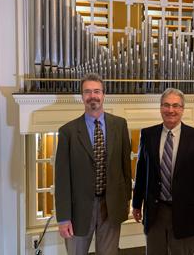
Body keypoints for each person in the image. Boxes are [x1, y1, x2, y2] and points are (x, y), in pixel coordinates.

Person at [132, 88, 194, 255]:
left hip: (187, 214)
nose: (171, 110)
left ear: (183, 109)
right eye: (166, 105)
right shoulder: (147, 135)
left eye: (176, 106)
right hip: (155, 212)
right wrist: (136, 204)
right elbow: (141, 172)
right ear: (160, 107)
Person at [55, 73, 132, 255]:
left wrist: (126, 200)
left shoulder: (120, 125)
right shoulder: (68, 132)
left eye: (96, 91)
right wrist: (63, 218)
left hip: (110, 207)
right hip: (78, 211)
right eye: (87, 92)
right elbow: (62, 179)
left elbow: (125, 168)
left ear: (104, 95)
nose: (92, 96)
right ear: (81, 97)